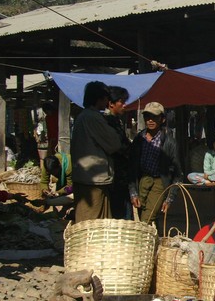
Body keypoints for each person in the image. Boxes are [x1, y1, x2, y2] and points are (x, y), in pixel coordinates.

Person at [70, 81, 122, 222]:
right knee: (92, 222)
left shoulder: (82, 117)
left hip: (85, 177)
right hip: (93, 179)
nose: (107, 103)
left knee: (92, 220)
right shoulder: (93, 117)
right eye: (105, 99)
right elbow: (114, 143)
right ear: (99, 99)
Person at [128, 102, 183, 224]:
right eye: (147, 117)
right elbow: (131, 167)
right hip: (142, 179)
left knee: (147, 219)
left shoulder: (169, 142)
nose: (150, 120)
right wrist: (133, 192)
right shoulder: (139, 139)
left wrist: (169, 198)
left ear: (162, 119)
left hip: (159, 181)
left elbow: (177, 173)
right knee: (141, 212)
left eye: (155, 117)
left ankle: (142, 241)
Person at [104, 85, 131, 219]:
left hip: (121, 175)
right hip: (116, 175)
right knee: (120, 214)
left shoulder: (116, 121)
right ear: (111, 103)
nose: (125, 105)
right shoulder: (109, 121)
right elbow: (118, 147)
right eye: (122, 101)